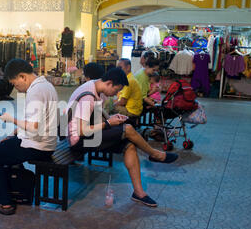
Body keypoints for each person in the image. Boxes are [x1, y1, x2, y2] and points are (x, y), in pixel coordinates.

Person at [66, 68, 178, 208]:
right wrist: (108, 123)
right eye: (116, 90)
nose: (116, 94)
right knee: (128, 129)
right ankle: (155, 154)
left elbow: (97, 113)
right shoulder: (88, 96)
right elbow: (81, 131)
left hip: (90, 134)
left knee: (129, 145)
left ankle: (139, 193)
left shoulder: (96, 87)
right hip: (78, 140)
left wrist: (112, 118)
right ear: (109, 83)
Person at [0, 59, 58, 215]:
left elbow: (34, 126)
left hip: (38, 146)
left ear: (23, 77)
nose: (17, 89)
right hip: (45, 141)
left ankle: (3, 203)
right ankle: (16, 191)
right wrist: (14, 134)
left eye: (16, 84)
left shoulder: (35, 91)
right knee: (3, 147)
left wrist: (10, 119)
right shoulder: (46, 85)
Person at [113, 58, 143, 125]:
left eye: (120, 67)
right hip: (133, 108)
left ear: (128, 67)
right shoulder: (130, 78)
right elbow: (120, 96)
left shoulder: (129, 81)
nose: (118, 70)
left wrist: (112, 105)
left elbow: (123, 102)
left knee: (108, 108)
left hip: (131, 111)